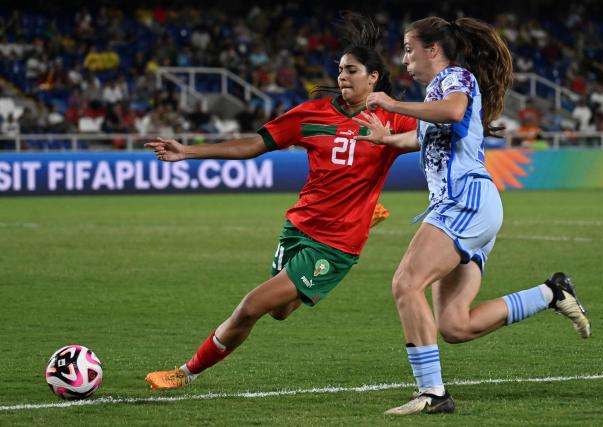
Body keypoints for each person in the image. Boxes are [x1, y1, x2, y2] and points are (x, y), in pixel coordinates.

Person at [143, 13, 416, 390]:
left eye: (351, 70)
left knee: (251, 307)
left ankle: (185, 372)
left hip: (336, 244)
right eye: (339, 69)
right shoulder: (311, 115)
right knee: (281, 312)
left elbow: (437, 133)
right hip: (300, 225)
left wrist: (474, 124)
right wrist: (188, 151)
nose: (342, 76)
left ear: (373, 77)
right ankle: (367, 216)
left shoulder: (392, 118)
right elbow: (255, 144)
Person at [353, 16, 592, 416]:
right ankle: (552, 292)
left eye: (410, 49)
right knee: (455, 326)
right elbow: (425, 133)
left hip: (463, 201)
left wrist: (392, 104)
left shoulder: (455, 79)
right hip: (472, 207)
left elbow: (452, 111)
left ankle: (432, 393)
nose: (405, 58)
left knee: (405, 284)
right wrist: (387, 138)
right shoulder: (436, 90)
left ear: (433, 49)